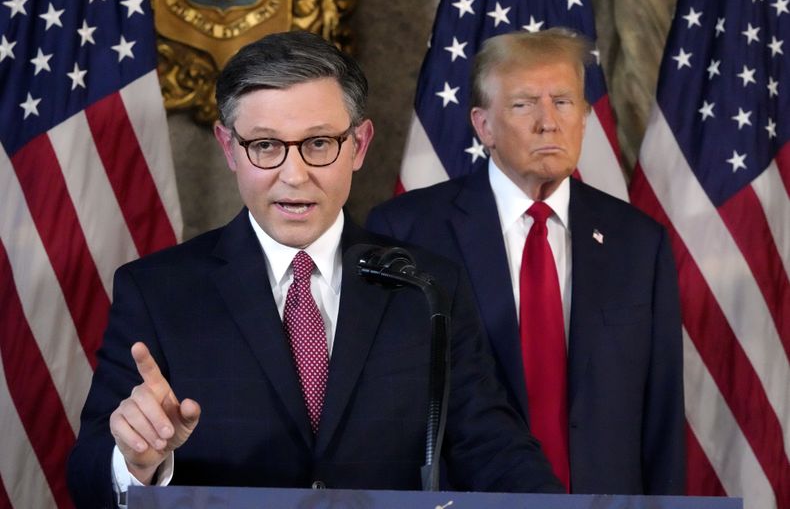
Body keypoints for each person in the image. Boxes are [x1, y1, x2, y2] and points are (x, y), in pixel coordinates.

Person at [66, 31, 563, 508]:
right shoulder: (157, 292)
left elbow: (493, 449)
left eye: (319, 143)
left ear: (359, 145)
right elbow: (88, 477)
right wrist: (134, 462)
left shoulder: (428, 288)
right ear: (228, 147)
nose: (294, 174)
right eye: (265, 145)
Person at [367, 28, 685, 494]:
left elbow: (661, 415)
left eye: (563, 101)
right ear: (483, 125)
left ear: (583, 117)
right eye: (523, 104)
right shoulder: (409, 232)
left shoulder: (639, 243)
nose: (548, 122)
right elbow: (389, 410)